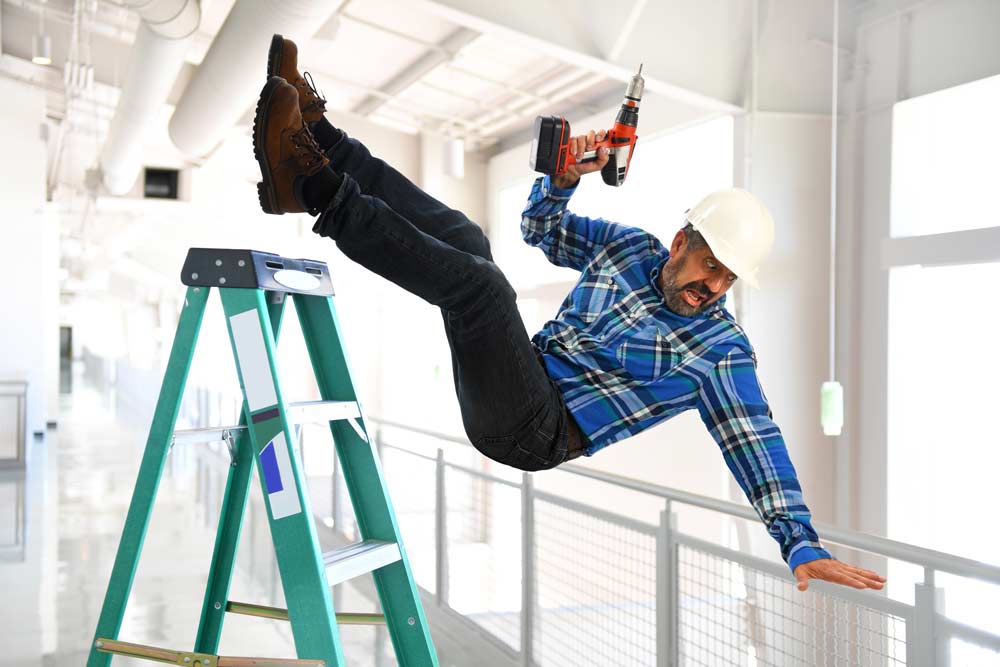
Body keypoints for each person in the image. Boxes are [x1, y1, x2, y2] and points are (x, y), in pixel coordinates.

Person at [252, 34, 886, 593]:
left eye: (727, 278)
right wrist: (562, 179)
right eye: (709, 264)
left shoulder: (720, 352)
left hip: (535, 431)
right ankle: (322, 143)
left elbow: (758, 445)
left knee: (483, 289)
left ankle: (311, 188)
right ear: (680, 241)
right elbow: (540, 229)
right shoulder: (628, 247)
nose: (713, 286)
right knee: (472, 241)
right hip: (523, 371)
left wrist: (799, 543)